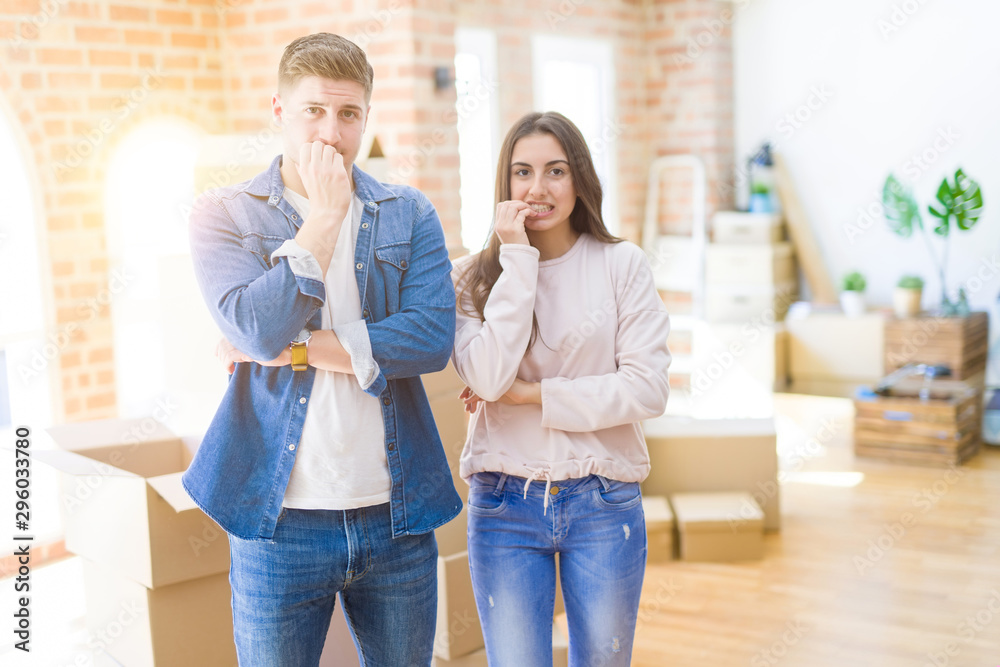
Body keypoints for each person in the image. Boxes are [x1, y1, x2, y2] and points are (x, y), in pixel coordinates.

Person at [183, 32, 460, 666]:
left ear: (365, 116)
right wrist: (326, 218)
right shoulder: (223, 214)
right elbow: (255, 330)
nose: (331, 133)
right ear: (279, 111)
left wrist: (301, 348)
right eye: (314, 111)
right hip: (277, 522)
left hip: (396, 515)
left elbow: (429, 341)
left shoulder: (408, 212)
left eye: (349, 114)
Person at [451, 111, 671, 666]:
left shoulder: (622, 265)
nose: (538, 189)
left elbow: (647, 389)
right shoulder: (471, 278)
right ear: (505, 185)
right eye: (522, 173)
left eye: (556, 171)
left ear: (580, 180)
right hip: (504, 502)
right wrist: (517, 254)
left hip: (602, 497)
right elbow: (488, 378)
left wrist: (534, 397)